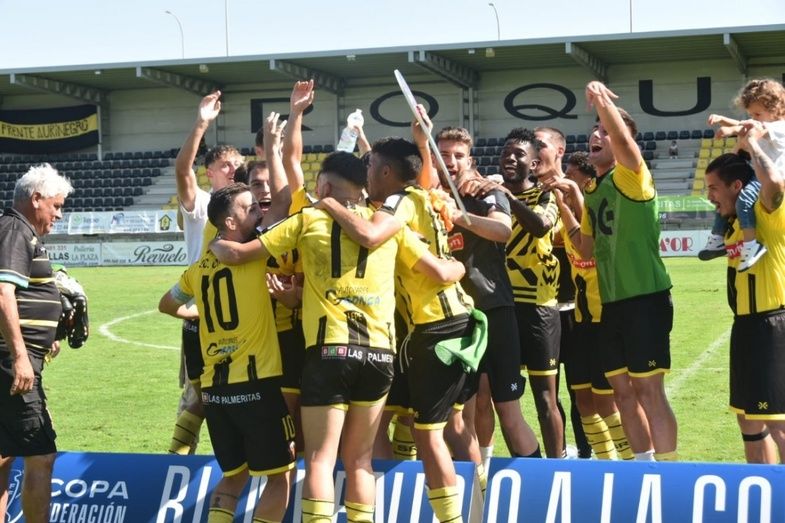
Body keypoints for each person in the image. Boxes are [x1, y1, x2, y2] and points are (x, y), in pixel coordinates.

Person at [159, 183, 295, 523]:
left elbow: (166, 304)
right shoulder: (252, 257)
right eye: (250, 209)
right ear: (230, 222)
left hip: (215, 391)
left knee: (234, 476)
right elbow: (283, 203)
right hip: (256, 384)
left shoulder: (198, 270)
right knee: (280, 476)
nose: (258, 212)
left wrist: (197, 313)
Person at [574, 81, 677, 462]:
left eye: (605, 130)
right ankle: (644, 469)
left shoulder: (631, 175)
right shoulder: (594, 189)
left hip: (645, 299)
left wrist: (602, 104)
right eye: (594, 132)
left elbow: (625, 144)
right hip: (612, 306)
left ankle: (669, 476)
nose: (597, 135)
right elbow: (584, 248)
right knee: (621, 392)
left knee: (649, 390)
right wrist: (569, 201)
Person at [437, 127, 540, 478]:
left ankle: (536, 494)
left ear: (471, 160)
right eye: (443, 154)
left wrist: (460, 216)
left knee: (509, 411)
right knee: (460, 416)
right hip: (453, 318)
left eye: (457, 155)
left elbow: (502, 230)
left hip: (494, 309)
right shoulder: (428, 197)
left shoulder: (487, 191)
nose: (450, 162)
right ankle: (476, 496)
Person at [543, 151, 637, 460]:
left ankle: (628, 461)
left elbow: (588, 236)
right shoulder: (568, 219)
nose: (565, 182)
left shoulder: (597, 213)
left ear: (586, 181)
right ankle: (604, 462)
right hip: (580, 321)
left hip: (604, 319)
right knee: (583, 399)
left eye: (571, 177)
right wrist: (558, 201)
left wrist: (566, 199)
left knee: (607, 401)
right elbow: (555, 233)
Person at [168, 90, 244, 455]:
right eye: (226, 165)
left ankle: (234, 460)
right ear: (210, 171)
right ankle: (178, 462)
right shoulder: (200, 204)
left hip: (242, 314)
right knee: (197, 394)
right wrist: (202, 123)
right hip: (201, 315)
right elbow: (182, 169)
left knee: (240, 390)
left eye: (236, 165)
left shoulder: (248, 208)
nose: (233, 170)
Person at [704, 139, 785, 462]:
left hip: (772, 324)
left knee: (777, 422)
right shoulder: (733, 223)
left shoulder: (765, 215)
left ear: (737, 186)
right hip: (746, 326)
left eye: (714, 188)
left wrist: (753, 143)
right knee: (748, 417)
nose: (709, 195)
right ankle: (761, 493)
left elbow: (774, 184)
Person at [0, 164, 72, 523]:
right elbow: (2, 293)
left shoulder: (17, 231)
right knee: (40, 454)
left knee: (3, 454)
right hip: (14, 365)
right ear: (36, 198)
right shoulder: (16, 230)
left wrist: (46, 336)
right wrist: (21, 356)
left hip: (17, 358)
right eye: (56, 206)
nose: (58, 214)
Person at [495, 128, 564, 458]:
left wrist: (507, 199)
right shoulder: (491, 197)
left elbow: (540, 226)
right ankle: (528, 464)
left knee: (545, 397)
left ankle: (558, 466)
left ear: (535, 163)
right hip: (502, 305)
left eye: (519, 154)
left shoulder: (545, 196)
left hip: (538, 306)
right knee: (504, 397)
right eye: (506, 152)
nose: (510, 157)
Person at [534, 126, 591, 459]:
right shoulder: (524, 192)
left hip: (578, 307)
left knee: (581, 390)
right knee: (547, 394)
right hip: (541, 309)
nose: (534, 149)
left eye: (541, 144)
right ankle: (558, 457)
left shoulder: (576, 190)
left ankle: (587, 452)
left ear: (559, 149)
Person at [700, 78, 785, 271]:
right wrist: (723, 120)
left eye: (757, 113)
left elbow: (750, 128)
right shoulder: (762, 121)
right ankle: (718, 236)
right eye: (751, 114)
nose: (754, 117)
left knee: (744, 199)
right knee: (725, 196)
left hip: (773, 179)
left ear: (776, 108)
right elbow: (745, 124)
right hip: (758, 174)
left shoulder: (779, 127)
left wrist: (730, 129)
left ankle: (751, 244)